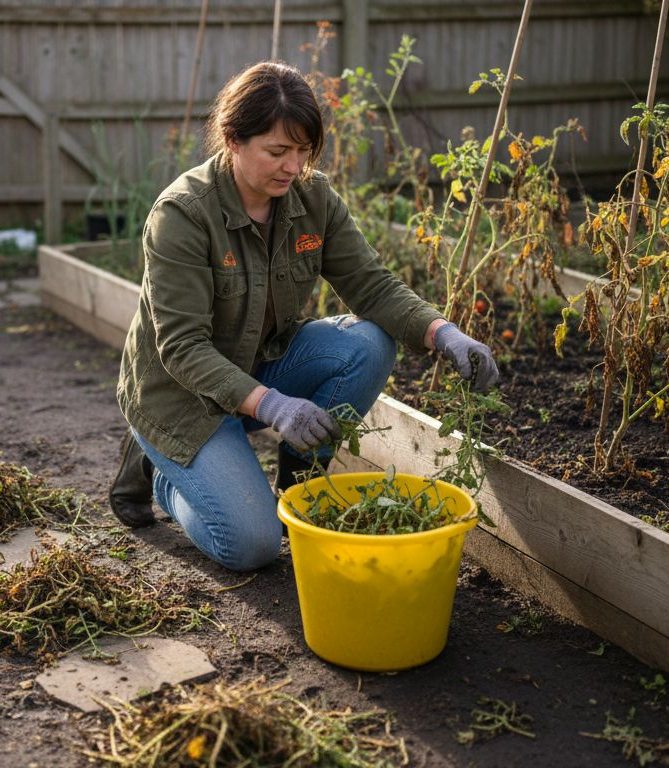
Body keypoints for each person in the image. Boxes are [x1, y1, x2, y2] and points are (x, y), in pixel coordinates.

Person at [110, 61, 498, 572]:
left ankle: (300, 485)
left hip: (257, 366)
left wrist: (444, 333)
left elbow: (371, 284)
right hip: (182, 396)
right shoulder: (182, 214)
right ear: (233, 139)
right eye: (277, 151)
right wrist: (273, 406)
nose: (293, 167)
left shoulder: (312, 200)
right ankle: (162, 475)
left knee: (369, 343)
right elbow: (182, 348)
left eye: (303, 151)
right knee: (252, 545)